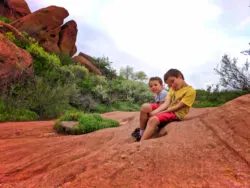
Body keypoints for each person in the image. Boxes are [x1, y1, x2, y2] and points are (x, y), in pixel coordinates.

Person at [135, 68, 196, 142]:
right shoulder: (172, 89)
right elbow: (166, 103)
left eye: (173, 81)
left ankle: (140, 143)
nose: (172, 85)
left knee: (153, 119)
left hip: (176, 114)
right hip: (167, 109)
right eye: (169, 85)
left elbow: (178, 107)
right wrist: (155, 112)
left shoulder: (190, 91)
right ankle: (141, 132)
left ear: (179, 76)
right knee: (145, 107)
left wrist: (159, 113)